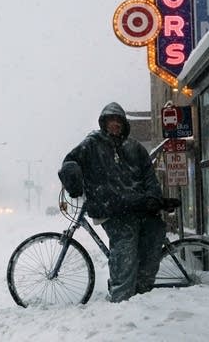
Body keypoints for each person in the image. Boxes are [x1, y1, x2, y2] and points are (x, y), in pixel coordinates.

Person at [59, 102, 169, 303]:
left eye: (119, 121)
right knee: (125, 242)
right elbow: (70, 162)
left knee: (152, 235)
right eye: (111, 121)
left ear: (124, 124)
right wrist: (72, 180)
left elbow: (148, 175)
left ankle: (141, 290)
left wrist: (153, 197)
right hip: (110, 208)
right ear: (104, 123)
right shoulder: (92, 144)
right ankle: (122, 296)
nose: (115, 124)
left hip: (136, 206)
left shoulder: (134, 147)